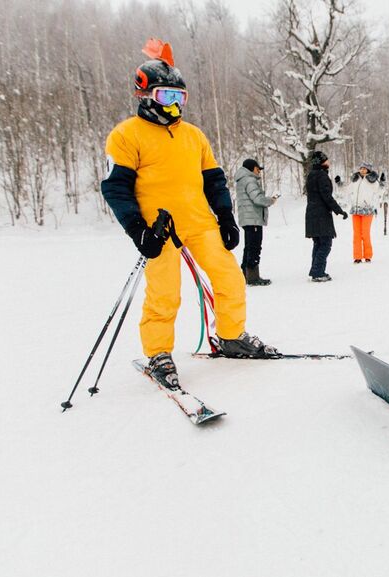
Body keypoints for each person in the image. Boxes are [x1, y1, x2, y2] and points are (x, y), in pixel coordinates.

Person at [101, 38, 276, 386]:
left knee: (230, 278)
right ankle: (158, 353)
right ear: (146, 95)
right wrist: (138, 230)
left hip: (200, 222)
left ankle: (230, 336)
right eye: (168, 97)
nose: (176, 105)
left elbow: (214, 180)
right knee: (165, 294)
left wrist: (225, 217)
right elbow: (115, 187)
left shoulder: (193, 136)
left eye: (181, 98)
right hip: (158, 227)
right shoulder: (126, 135)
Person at [305, 151, 347, 281]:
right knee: (325, 244)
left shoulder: (311, 175)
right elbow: (326, 196)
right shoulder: (321, 176)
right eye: (326, 160)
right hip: (321, 214)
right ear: (321, 162)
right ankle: (318, 273)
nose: (328, 162)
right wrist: (339, 210)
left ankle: (316, 270)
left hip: (312, 213)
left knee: (318, 243)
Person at [234, 158, 276, 286]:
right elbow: (257, 198)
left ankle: (244, 275)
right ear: (252, 168)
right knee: (255, 247)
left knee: (249, 247)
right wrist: (270, 200)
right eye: (258, 169)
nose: (259, 172)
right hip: (253, 219)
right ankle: (253, 277)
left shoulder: (242, 180)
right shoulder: (250, 180)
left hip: (248, 219)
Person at [336, 162, 383, 263]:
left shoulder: (373, 181)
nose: (362, 170)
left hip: (367, 210)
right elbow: (347, 190)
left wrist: (382, 183)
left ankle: (368, 255)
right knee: (356, 234)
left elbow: (380, 191)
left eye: (364, 169)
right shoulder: (355, 180)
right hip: (356, 210)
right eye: (361, 168)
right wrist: (339, 184)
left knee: (365, 234)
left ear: (368, 170)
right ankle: (357, 257)